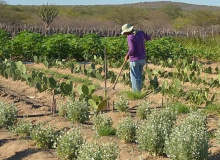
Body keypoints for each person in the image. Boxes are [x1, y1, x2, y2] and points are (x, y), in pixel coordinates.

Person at [121, 23, 151, 92]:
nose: (125, 34)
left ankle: (135, 92)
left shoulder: (130, 37)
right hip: (142, 59)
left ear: (128, 31)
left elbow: (132, 49)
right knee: (139, 76)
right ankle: (139, 91)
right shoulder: (140, 33)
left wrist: (127, 55)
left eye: (125, 32)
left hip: (134, 59)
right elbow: (149, 38)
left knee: (134, 76)